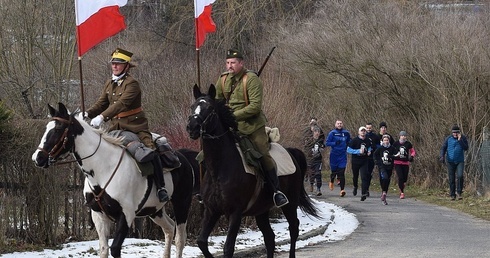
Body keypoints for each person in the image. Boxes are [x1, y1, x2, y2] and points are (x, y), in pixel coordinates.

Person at [86, 48, 169, 202]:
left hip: (135, 127)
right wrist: (87, 114)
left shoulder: (132, 84)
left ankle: (161, 187)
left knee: (150, 150)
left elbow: (122, 104)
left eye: (119, 63)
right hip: (115, 128)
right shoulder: (109, 83)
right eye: (113, 63)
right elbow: (102, 103)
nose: (115, 66)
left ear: (126, 66)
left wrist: (102, 117)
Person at [215, 49, 288, 208]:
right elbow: (217, 102)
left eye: (233, 63)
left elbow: (255, 107)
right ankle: (206, 189)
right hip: (230, 127)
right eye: (228, 63)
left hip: (252, 126)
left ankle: (276, 191)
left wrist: (232, 115)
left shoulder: (252, 79)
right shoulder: (222, 79)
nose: (230, 66)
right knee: (208, 151)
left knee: (262, 153)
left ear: (241, 63)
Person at [439, 125, 469, 200]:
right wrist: (442, 156)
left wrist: (460, 140)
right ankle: (452, 194)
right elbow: (443, 148)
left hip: (460, 161)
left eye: (456, 132)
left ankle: (459, 193)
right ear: (452, 133)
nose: (455, 134)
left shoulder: (463, 138)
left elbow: (466, 148)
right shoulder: (448, 139)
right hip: (450, 161)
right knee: (451, 178)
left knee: (460, 176)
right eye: (454, 132)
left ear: (459, 132)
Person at [325, 120, 351, 197]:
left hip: (342, 155)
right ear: (335, 124)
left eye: (340, 123)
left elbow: (350, 141)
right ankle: (332, 181)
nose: (339, 125)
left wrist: (351, 144)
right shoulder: (332, 133)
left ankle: (342, 190)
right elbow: (327, 143)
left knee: (341, 173)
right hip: (334, 155)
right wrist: (335, 143)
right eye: (338, 123)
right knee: (334, 172)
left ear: (342, 124)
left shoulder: (346, 133)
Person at [347, 126, 372, 201]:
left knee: (364, 177)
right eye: (362, 131)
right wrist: (357, 151)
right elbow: (348, 150)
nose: (363, 132)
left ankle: (363, 193)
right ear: (359, 132)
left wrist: (369, 151)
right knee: (355, 176)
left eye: (364, 131)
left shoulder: (368, 140)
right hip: (355, 161)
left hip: (364, 161)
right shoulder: (354, 140)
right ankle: (355, 186)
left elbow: (370, 147)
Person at [373, 135, 397, 205]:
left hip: (389, 166)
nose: (386, 142)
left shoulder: (392, 148)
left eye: (387, 140)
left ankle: (384, 193)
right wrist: (376, 161)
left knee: (387, 179)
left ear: (389, 141)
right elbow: (375, 155)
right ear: (382, 141)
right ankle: (383, 192)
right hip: (382, 166)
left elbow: (396, 155)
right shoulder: (380, 148)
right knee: (384, 178)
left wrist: (391, 157)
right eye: (384, 140)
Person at [393, 131, 416, 199]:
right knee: (400, 177)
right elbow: (392, 151)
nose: (404, 137)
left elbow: (413, 151)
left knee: (405, 178)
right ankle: (402, 192)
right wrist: (394, 156)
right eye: (402, 135)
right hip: (397, 162)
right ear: (399, 136)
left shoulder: (408, 144)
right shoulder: (395, 143)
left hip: (405, 163)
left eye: (405, 136)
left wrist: (412, 156)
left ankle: (401, 187)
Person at [309, 126, 325, 196]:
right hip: (311, 160)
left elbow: (323, 148)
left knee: (318, 174)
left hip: (318, 160)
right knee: (312, 174)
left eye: (318, 132)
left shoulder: (321, 141)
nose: (317, 133)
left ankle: (318, 189)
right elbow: (306, 149)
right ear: (313, 132)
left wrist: (321, 149)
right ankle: (311, 184)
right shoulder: (309, 141)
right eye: (316, 132)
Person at [365, 122, 379, 196]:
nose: (368, 129)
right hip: (364, 157)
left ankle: (367, 188)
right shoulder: (363, 136)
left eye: (370, 128)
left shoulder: (375, 136)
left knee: (369, 174)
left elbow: (378, 146)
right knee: (365, 173)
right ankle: (364, 188)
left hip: (372, 157)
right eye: (367, 128)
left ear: (372, 128)